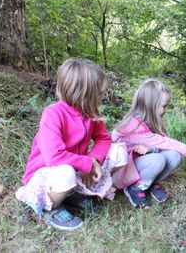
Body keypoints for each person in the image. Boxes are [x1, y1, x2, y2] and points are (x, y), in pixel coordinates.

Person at [16, 58, 128, 230]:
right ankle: (52, 206)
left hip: (77, 171)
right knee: (66, 173)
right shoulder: (53, 113)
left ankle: (72, 195)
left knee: (118, 151)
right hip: (47, 176)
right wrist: (87, 163)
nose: (103, 96)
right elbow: (54, 156)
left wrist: (94, 159)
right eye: (99, 92)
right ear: (84, 93)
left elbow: (104, 139)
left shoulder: (89, 114)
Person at [112, 78, 186, 209]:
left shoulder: (148, 121)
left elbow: (159, 146)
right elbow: (166, 142)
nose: (166, 110)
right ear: (150, 105)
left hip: (139, 162)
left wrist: (150, 149)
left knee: (175, 156)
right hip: (125, 171)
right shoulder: (135, 125)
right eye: (164, 106)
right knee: (157, 160)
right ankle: (134, 188)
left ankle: (148, 183)